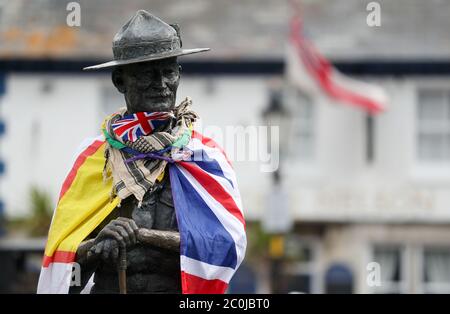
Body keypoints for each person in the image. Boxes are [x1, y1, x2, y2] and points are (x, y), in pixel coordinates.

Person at [37, 10, 246, 294]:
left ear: (179, 75)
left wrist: (144, 236)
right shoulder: (93, 157)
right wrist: (96, 246)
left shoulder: (203, 155)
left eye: (169, 72)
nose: (161, 84)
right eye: (147, 74)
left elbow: (225, 247)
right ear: (120, 81)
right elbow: (62, 263)